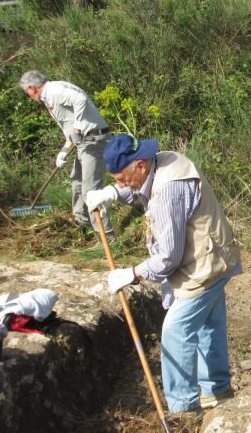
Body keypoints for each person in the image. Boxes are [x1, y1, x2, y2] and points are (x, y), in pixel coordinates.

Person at [85, 134, 241, 415]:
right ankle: (217, 391)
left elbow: (169, 257)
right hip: (216, 253)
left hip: (203, 266)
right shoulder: (161, 162)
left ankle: (184, 409)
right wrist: (113, 193)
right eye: (117, 179)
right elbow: (139, 189)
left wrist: (133, 274)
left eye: (121, 178)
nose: (121, 183)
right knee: (208, 325)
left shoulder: (169, 189)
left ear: (141, 165)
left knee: (176, 331)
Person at [19, 70, 114, 239]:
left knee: (90, 191)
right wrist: (63, 152)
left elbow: (80, 99)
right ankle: (84, 226)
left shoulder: (54, 90)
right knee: (76, 181)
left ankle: (107, 238)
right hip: (82, 143)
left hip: (93, 140)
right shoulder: (50, 97)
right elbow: (70, 129)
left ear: (32, 89)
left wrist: (77, 128)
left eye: (27, 94)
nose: (30, 98)